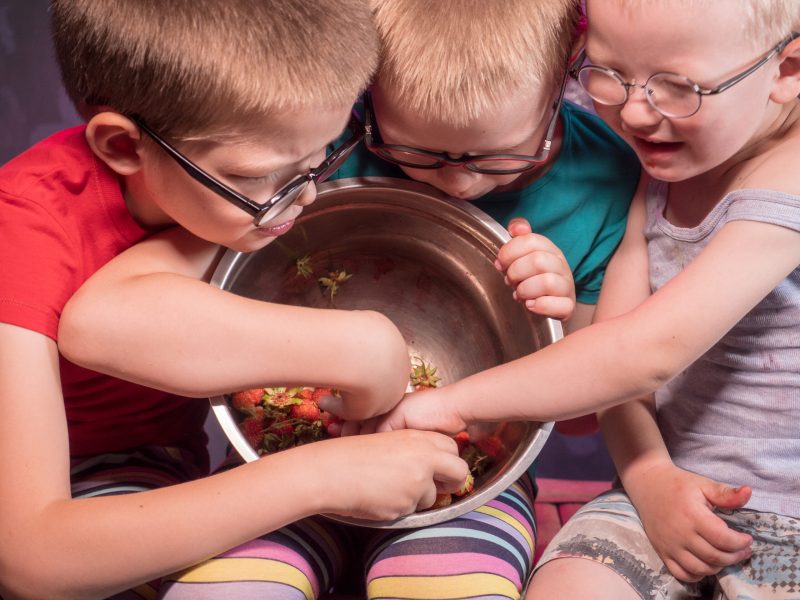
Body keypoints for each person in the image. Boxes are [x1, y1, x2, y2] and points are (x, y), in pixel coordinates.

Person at [53, 1, 638, 597]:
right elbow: (118, 312)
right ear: (365, 79)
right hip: (283, 467)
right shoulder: (311, 147)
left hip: (461, 483)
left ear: (568, 67)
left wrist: (561, 308)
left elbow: (582, 417)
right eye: (414, 151)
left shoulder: (605, 180)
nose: (459, 181)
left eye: (499, 155)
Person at [0, 1, 470, 598]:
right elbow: (32, 559)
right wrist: (320, 477)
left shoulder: (239, 171)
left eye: (324, 154)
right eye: (257, 176)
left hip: (156, 465)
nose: (304, 197)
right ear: (123, 146)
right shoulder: (20, 238)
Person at [373, 1, 800, 598]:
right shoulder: (661, 172)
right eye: (609, 75)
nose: (634, 112)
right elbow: (610, 355)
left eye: (679, 87)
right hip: (660, 492)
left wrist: (452, 404)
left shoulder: (788, 179)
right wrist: (650, 478)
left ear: (787, 71)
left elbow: (645, 354)